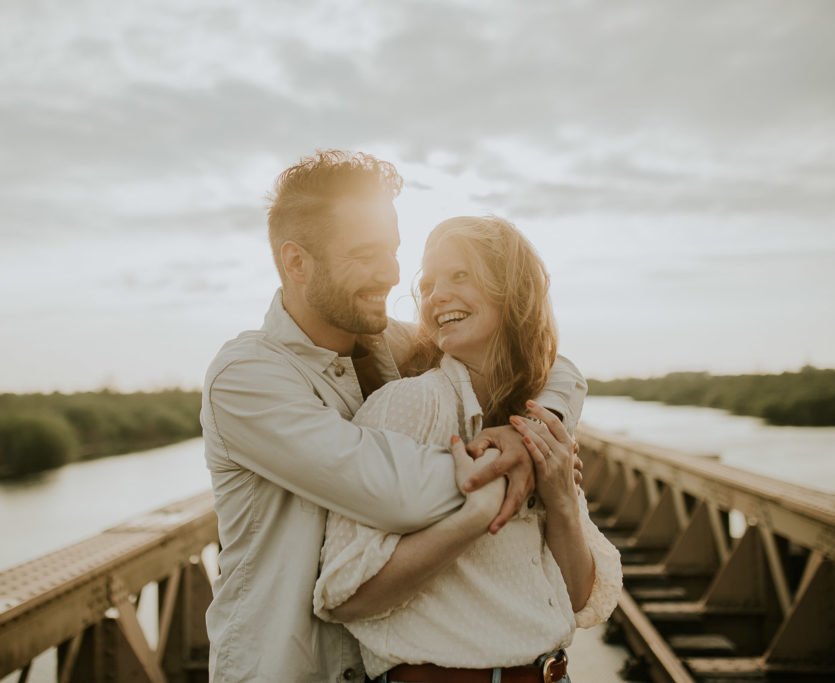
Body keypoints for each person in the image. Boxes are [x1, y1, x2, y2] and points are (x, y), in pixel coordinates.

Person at [201, 151, 587, 682]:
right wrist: (513, 469)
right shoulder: (247, 378)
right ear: (296, 262)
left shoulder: (390, 344)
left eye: (392, 251)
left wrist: (532, 435)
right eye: (365, 254)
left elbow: (548, 362)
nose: (390, 274)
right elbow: (391, 492)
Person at [313, 216, 623, 683]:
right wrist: (473, 518)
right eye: (429, 283)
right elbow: (345, 594)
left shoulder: (536, 420)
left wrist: (560, 500)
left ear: (513, 289)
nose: (436, 295)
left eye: (460, 275)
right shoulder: (407, 407)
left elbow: (576, 598)